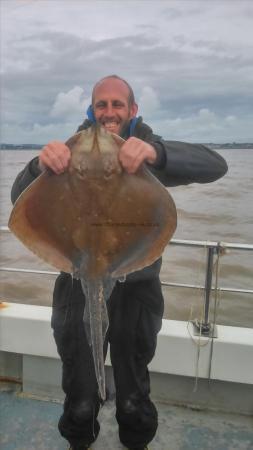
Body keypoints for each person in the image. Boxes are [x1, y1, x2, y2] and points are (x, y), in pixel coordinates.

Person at [11, 75, 228, 450]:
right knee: (79, 399)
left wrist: (155, 154)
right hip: (76, 283)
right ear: (91, 110)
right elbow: (20, 199)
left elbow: (216, 165)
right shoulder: (70, 152)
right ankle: (80, 439)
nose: (109, 112)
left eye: (117, 104)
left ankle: (136, 440)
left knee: (132, 398)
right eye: (101, 105)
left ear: (132, 110)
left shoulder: (147, 153)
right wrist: (38, 165)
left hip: (137, 288)